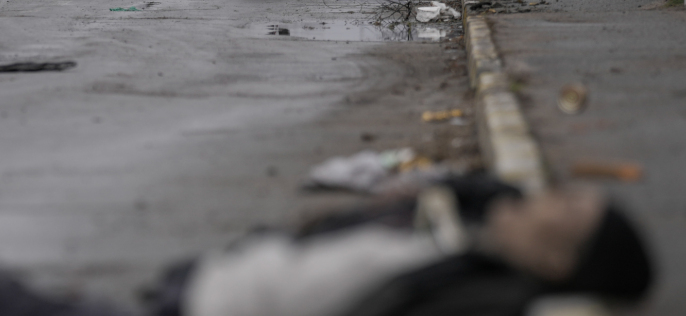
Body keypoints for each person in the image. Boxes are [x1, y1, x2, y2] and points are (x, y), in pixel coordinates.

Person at [152, 177, 654, 316]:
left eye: (564, 204)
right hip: (214, 278)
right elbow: (491, 194)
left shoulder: (475, 292)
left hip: (208, 301)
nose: (542, 196)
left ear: (556, 261)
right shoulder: (472, 254)